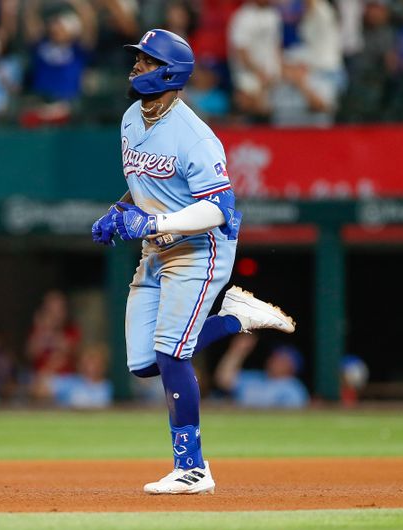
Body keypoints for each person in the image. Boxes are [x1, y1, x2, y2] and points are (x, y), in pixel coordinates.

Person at [90, 29, 295, 495]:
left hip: (202, 249)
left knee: (171, 353)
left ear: (168, 72)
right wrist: (120, 210)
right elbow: (144, 186)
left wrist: (149, 225)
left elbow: (218, 209)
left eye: (145, 62)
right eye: (138, 60)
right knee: (143, 363)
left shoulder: (196, 137)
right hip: (158, 249)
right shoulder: (130, 119)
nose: (136, 67)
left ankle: (193, 468)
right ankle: (235, 319)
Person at [214, 334, 309, 408]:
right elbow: (223, 379)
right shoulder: (256, 378)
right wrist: (238, 350)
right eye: (274, 356)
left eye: (280, 359)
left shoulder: (293, 387)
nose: (274, 360)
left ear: (292, 366)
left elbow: (293, 416)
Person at [32, 343, 113, 409]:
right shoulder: (71, 382)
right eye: (88, 362)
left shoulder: (106, 386)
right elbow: (39, 389)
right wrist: (52, 366)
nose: (92, 367)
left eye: (95, 363)